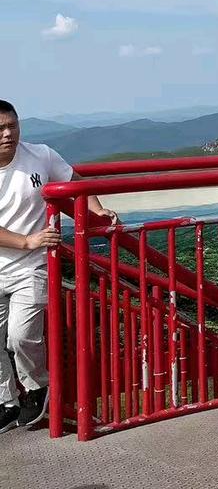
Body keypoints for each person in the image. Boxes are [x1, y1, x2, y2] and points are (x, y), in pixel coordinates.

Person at [0, 100, 117, 433]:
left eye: (13, 125)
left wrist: (98, 213)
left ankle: (37, 388)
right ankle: (6, 402)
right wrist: (25, 240)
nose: (8, 134)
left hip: (32, 267)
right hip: (16, 254)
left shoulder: (41, 155)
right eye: (0, 129)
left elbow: (75, 182)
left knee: (22, 336)